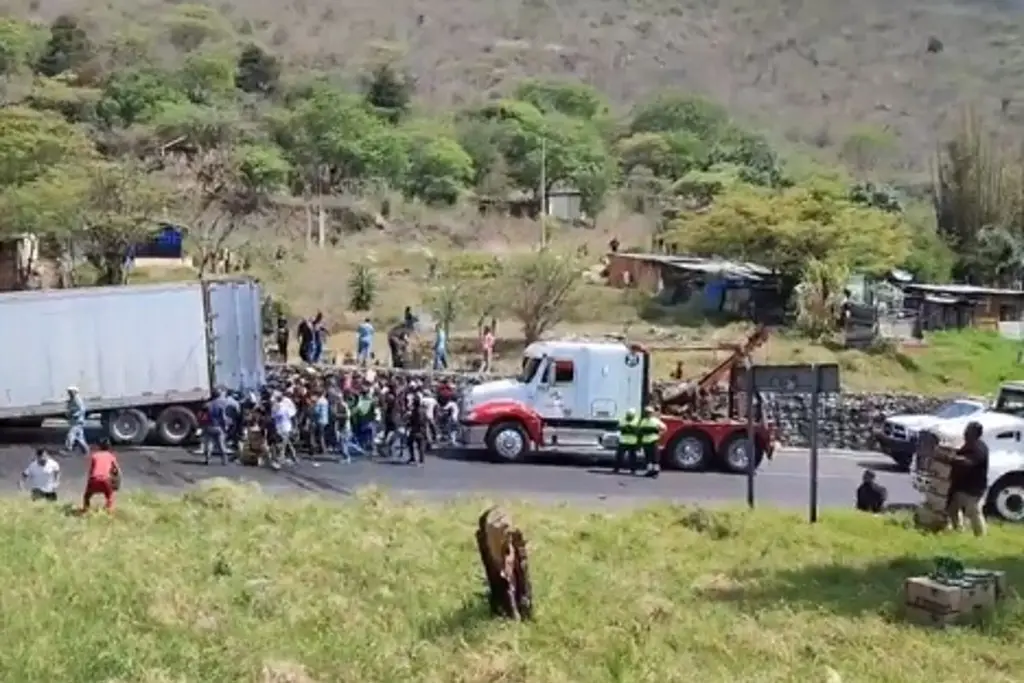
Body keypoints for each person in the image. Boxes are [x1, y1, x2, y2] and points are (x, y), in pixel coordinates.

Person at [947, 421, 989, 537]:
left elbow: (968, 462)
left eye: (968, 431)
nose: (965, 433)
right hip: (961, 486)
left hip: (973, 488)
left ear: (975, 434)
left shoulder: (979, 448)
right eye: (966, 430)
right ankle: (958, 530)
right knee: (952, 508)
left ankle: (980, 536)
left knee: (974, 512)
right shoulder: (969, 445)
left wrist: (952, 458)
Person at [83, 440, 120, 512]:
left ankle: (86, 511)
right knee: (109, 496)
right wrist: (116, 482)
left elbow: (91, 471)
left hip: (94, 479)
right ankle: (108, 512)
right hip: (106, 480)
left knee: (86, 496)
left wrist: (89, 483)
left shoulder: (95, 455)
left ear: (99, 447)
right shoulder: (111, 456)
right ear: (109, 447)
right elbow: (117, 470)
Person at [636, 406, 666, 478]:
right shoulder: (643, 421)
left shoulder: (655, 421)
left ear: (652, 413)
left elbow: (664, 428)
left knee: (655, 457)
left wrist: (659, 435)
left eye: (649, 412)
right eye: (646, 412)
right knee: (648, 458)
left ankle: (655, 472)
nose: (647, 414)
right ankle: (649, 471)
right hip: (646, 441)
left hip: (653, 441)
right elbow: (640, 431)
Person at [614, 408, 640, 475]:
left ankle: (633, 470)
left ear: (633, 415)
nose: (629, 416)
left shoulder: (637, 420)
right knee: (619, 456)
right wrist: (624, 428)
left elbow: (638, 430)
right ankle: (617, 468)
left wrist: (631, 429)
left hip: (632, 442)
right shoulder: (623, 419)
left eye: (630, 415)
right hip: (623, 441)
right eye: (628, 415)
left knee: (632, 457)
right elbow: (618, 427)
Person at [64, 386, 88, 456]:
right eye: (69, 392)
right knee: (80, 437)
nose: (69, 393)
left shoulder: (77, 399)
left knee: (70, 435)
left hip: (77, 421)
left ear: (74, 392)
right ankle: (86, 450)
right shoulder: (72, 399)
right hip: (75, 421)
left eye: (70, 392)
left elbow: (82, 409)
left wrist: (75, 415)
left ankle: (68, 449)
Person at [406, 391, 427, 465]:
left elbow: (419, 420)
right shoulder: (421, 410)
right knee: (415, 444)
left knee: (418, 444)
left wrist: (411, 423)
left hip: (417, 429)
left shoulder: (417, 411)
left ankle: (417, 459)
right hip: (419, 429)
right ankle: (417, 459)